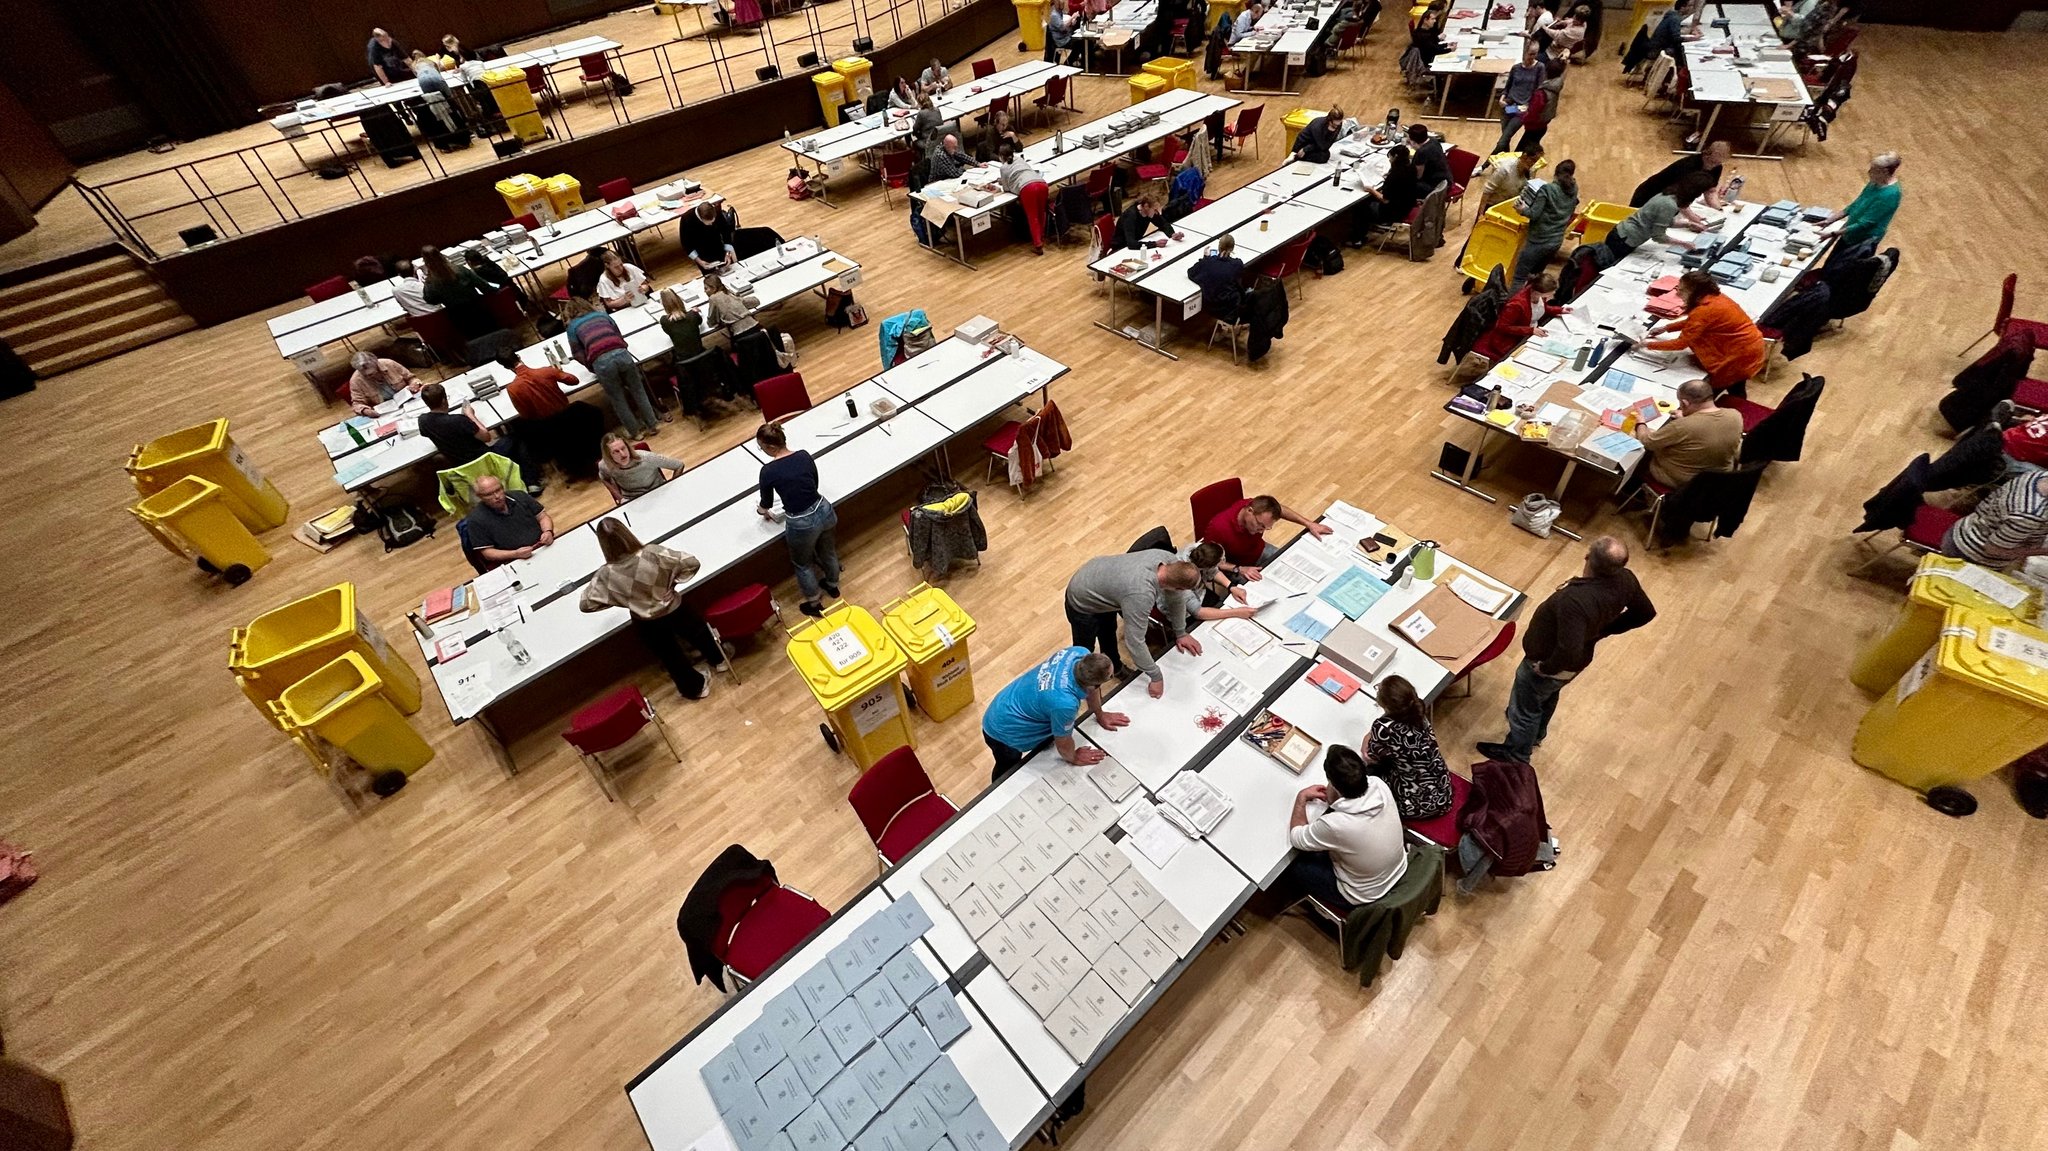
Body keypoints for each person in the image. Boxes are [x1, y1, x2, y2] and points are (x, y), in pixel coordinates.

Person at [1478, 536, 1655, 764]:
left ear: (1588, 558)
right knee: (1547, 697)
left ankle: (1516, 754)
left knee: (1525, 710)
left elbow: (1568, 649)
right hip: (1574, 664)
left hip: (1547, 664)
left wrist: (1546, 667)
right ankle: (1536, 735)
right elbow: (1645, 612)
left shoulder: (1575, 600)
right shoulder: (1626, 580)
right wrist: (1604, 630)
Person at [579, 519, 725, 701]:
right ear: (626, 533)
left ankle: (695, 688)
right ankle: (719, 660)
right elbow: (691, 562)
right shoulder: (652, 553)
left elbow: (586, 604)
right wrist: (673, 583)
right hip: (674, 608)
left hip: (646, 622)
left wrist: (622, 600)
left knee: (670, 656)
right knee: (698, 633)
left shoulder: (606, 574)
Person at [1283, 745, 1411, 911]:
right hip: (1397, 868)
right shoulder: (1379, 785)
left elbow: (1297, 837)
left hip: (1362, 894)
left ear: (1334, 785)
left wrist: (1301, 798)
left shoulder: (1336, 825)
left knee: (1293, 865)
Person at [1063, 550, 1202, 694]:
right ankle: (1079, 683)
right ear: (1178, 587)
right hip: (1082, 599)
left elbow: (1177, 599)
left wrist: (1181, 632)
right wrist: (1155, 676)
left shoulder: (1169, 561)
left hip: (1102, 585)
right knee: (1084, 648)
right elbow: (1135, 641)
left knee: (1108, 633)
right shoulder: (1140, 594)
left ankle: (1115, 668)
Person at [981, 649, 1128, 782]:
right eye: (1110, 676)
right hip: (1003, 732)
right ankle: (995, 789)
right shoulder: (1065, 704)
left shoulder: (1077, 653)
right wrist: (1074, 757)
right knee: (1007, 769)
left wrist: (1100, 714)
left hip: (1010, 702)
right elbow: (1063, 744)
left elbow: (1093, 688)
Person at [756, 421, 839, 615]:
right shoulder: (803, 455)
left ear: (770, 446)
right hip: (824, 509)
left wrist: (762, 511)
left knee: (803, 564)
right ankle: (832, 585)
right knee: (828, 551)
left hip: (802, 522)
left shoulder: (768, 471)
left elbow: (766, 504)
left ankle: (813, 603)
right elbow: (814, 484)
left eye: (761, 448)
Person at [1644, 270, 1766, 392]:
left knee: (1712, 392)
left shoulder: (1704, 310)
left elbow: (1680, 343)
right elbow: (1697, 322)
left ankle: (1729, 408)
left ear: (1693, 292)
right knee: (1737, 387)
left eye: (1681, 290)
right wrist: (1666, 328)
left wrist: (1647, 344)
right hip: (1748, 348)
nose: (1678, 293)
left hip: (1736, 357)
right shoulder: (1717, 298)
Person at [565, 299, 663, 438]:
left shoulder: (572, 328)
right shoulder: (603, 316)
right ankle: (652, 425)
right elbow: (618, 335)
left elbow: (577, 353)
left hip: (601, 362)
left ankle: (635, 432)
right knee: (638, 390)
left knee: (617, 398)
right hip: (621, 353)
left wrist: (592, 365)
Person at [499, 353, 602, 481]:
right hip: (569, 416)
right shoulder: (545, 371)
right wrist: (556, 373)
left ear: (505, 367)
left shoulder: (513, 389)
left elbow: (526, 415)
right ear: (519, 357)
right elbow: (573, 380)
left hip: (546, 427)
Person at [1363, 675, 1453, 821]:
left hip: (1417, 803)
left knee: (1369, 775)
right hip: (1442, 790)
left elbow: (1371, 756)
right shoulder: (1419, 716)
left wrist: (1368, 738)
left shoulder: (1383, 729)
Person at [1631, 378, 1742, 489]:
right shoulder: (1735, 415)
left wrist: (1640, 423)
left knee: (1644, 449)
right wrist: (1688, 416)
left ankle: (1631, 487)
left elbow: (1647, 442)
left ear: (1685, 403)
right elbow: (1707, 426)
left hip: (1682, 482)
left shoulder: (1682, 426)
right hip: (1719, 478)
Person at [1603, 171, 1718, 263]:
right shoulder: (1669, 205)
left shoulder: (1669, 194)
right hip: (1624, 240)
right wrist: (1683, 243)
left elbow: (1660, 221)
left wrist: (1688, 223)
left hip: (1623, 235)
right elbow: (1658, 236)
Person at [1942, 471, 2048, 571]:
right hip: (1972, 553)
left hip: (1969, 527)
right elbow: (1994, 550)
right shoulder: (2028, 516)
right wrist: (2042, 551)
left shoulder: (2038, 476)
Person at [1201, 492, 1334, 571]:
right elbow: (1206, 561)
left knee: (1295, 566)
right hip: (1237, 567)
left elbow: (1279, 509)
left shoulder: (1255, 506)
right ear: (1249, 512)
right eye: (1260, 525)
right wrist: (1238, 569)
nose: (1261, 531)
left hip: (1258, 551)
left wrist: (1309, 523)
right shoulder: (1218, 528)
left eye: (1266, 528)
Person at [1465, 271, 1565, 371]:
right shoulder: (1516, 305)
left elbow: (1541, 308)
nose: (1554, 294)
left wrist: (1560, 310)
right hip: (1507, 340)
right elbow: (1502, 326)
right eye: (1551, 293)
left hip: (1527, 332)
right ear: (1538, 292)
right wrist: (1530, 330)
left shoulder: (1536, 295)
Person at [659, 288, 730, 420]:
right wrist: (693, 311)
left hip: (685, 368)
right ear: (679, 300)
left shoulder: (665, 321)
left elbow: (670, 331)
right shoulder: (692, 316)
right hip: (704, 362)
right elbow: (699, 322)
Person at [1511, 158, 1578, 288]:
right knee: (1535, 277)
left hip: (1538, 242)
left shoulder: (1547, 189)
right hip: (1556, 242)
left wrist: (1522, 209)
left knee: (1519, 278)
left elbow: (1533, 214)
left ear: (1556, 173)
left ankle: (1511, 307)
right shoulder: (1574, 189)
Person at [463, 475, 553, 565]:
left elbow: (542, 517)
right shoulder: (475, 519)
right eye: (489, 494)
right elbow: (487, 552)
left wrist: (548, 531)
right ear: (479, 496)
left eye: (498, 490)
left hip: (543, 548)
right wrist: (515, 554)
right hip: (514, 561)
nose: (497, 496)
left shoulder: (520, 496)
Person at [1830, 151, 1903, 249]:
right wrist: (1829, 220)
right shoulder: (1874, 183)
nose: (1869, 172)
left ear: (1885, 171)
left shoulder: (1891, 194)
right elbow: (1856, 204)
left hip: (1863, 241)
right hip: (1849, 233)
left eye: (1873, 170)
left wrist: (1833, 233)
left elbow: (1866, 223)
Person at [418, 247, 494, 340]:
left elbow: (430, 300)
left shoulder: (431, 281)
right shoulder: (460, 269)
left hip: (460, 320)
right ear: (441, 255)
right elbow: (484, 287)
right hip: (480, 312)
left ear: (425, 262)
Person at [1629, 140, 1731, 208]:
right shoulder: (1688, 166)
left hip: (1672, 200)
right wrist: (1692, 218)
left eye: (1718, 163)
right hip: (1649, 195)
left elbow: (1710, 191)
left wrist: (1718, 209)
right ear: (1706, 154)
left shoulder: (1717, 167)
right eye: (1712, 162)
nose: (1712, 166)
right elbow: (1679, 197)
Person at [598, 432, 686, 504]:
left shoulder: (647, 457)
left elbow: (679, 465)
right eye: (616, 452)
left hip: (659, 494)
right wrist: (621, 499)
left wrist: (671, 488)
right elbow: (604, 479)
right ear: (608, 455)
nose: (623, 454)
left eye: (623, 448)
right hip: (633, 501)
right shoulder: (604, 465)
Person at [1354, 143, 1418, 239]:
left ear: (1395, 157)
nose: (1389, 160)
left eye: (1390, 158)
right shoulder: (1411, 168)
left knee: (1361, 206)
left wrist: (1371, 190)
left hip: (1393, 212)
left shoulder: (1395, 176)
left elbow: (1385, 200)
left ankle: (1358, 238)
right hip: (1407, 205)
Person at [1493, 44, 1547, 156]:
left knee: (1502, 140)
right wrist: (1502, 99)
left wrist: (1529, 106)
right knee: (1505, 140)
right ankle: (1505, 161)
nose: (1532, 56)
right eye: (1530, 54)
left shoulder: (1540, 68)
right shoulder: (1516, 68)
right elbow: (1507, 87)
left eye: (1535, 54)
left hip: (1521, 109)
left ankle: (1484, 166)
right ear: (1524, 53)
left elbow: (1539, 90)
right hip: (1508, 106)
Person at [998, 144, 1051, 255]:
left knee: (1033, 217)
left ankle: (1038, 245)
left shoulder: (1003, 168)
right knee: (1042, 212)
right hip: (1041, 183)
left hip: (1028, 188)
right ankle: (1041, 237)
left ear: (1000, 156)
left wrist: (1003, 182)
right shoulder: (1020, 159)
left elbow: (1006, 188)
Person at [1188, 235, 1246, 321]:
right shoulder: (1236, 264)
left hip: (1208, 305)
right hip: (1228, 308)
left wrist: (1205, 259)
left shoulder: (1208, 262)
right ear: (1232, 248)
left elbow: (1191, 273)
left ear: (1219, 247)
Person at [1515, 56, 1566, 152]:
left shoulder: (1541, 93)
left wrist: (1520, 115)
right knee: (1529, 153)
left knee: (1518, 154)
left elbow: (1532, 113)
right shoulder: (1557, 84)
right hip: (1542, 126)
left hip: (1534, 127)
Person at [1475, 144, 1543, 216]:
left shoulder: (1530, 171)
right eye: (1532, 160)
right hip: (1491, 207)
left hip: (1509, 209)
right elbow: (1487, 192)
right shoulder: (1504, 169)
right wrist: (1481, 214)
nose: (1533, 164)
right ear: (1525, 156)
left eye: (1535, 161)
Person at [346, 352, 420, 414]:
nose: (369, 377)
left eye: (372, 374)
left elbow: (412, 378)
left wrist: (414, 384)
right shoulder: (356, 380)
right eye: (365, 375)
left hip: (409, 401)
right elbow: (357, 404)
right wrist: (365, 411)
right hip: (387, 411)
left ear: (376, 364)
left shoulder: (389, 364)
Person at [702, 273, 760, 347]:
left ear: (713, 288)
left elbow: (712, 322)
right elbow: (749, 302)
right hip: (755, 326)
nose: (704, 291)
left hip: (740, 334)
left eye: (706, 288)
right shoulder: (728, 292)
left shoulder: (713, 298)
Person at [463, 247, 527, 311]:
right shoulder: (489, 262)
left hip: (501, 299)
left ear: (469, 262)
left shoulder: (477, 273)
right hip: (517, 294)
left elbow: (484, 287)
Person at [679, 202, 738, 270]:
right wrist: (699, 261)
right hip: (702, 255)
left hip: (719, 248)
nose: (712, 224)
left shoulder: (716, 212)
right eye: (709, 222)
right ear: (701, 218)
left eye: (713, 221)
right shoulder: (686, 219)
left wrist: (727, 253)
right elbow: (686, 244)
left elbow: (726, 232)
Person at [1113, 193, 1178, 252]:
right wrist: (1154, 244)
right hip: (1121, 248)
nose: (1158, 212)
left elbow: (1163, 224)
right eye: (1155, 209)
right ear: (1146, 206)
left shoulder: (1148, 212)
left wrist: (1172, 234)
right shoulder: (1130, 216)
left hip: (1136, 244)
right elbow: (1131, 243)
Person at [1409, 123, 1450, 192]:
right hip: (1445, 179)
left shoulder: (1421, 152)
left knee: (1403, 183)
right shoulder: (1434, 141)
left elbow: (1418, 176)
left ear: (1413, 141)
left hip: (1434, 186)